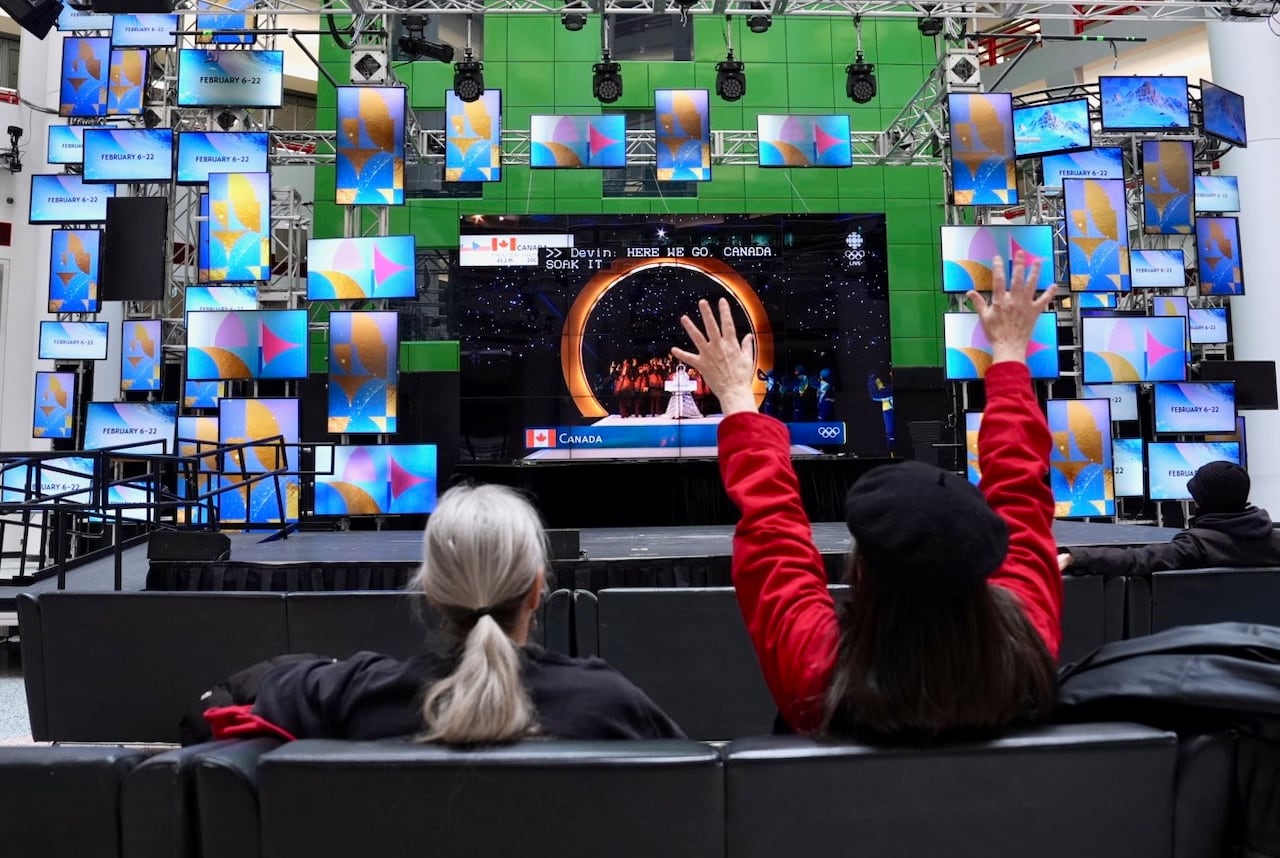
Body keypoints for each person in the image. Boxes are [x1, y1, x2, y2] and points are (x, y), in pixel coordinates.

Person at [672, 252, 1060, 742]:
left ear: (858, 572)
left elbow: (774, 531)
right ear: (984, 567)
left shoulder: (820, 674)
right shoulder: (1026, 647)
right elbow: (1023, 493)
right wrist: (1009, 355)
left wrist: (733, 395)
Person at [205, 484, 684, 743]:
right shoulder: (609, 703)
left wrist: (325, 672)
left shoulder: (353, 694)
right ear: (538, 588)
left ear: (430, 590)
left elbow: (218, 704)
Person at [1059, 460, 1280, 578]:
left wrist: (1075, 557)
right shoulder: (1275, 541)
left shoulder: (1197, 545)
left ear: (1202, 502)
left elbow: (1136, 560)